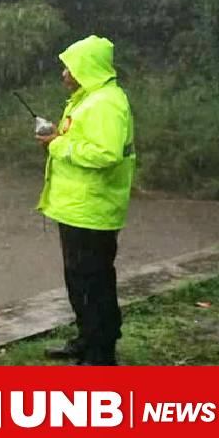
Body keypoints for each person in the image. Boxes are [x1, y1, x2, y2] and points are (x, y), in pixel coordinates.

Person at [36, 35, 136, 366]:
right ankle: (88, 339)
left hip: (92, 209)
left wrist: (58, 146)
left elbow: (106, 154)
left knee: (93, 282)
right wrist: (59, 138)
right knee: (81, 279)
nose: (63, 74)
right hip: (79, 208)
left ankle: (101, 354)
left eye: (69, 68)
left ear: (86, 69)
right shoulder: (88, 99)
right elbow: (84, 141)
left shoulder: (105, 103)